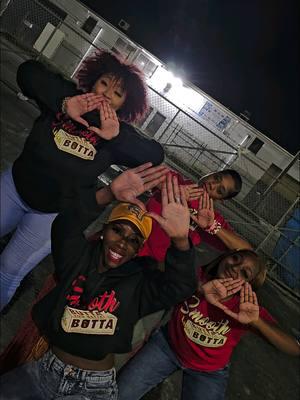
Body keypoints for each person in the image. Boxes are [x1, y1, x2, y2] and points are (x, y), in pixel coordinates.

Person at [0, 171, 197, 400]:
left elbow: (181, 286)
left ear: (138, 250)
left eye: (133, 240)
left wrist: (181, 240)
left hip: (91, 389)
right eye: (118, 230)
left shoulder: (140, 281)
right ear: (103, 230)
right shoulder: (78, 258)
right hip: (44, 370)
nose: (123, 243)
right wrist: (107, 193)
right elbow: (65, 225)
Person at [0, 49, 164, 310]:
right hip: (14, 188)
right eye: (104, 83)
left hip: (52, 214)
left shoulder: (117, 134)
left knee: (8, 269)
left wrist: (116, 135)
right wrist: (64, 103)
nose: (107, 94)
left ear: (124, 105)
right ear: (94, 81)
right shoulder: (66, 97)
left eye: (117, 94)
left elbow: (156, 154)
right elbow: (28, 71)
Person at [117, 249, 300, 400]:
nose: (235, 267)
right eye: (235, 258)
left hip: (208, 372)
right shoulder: (198, 277)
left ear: (248, 285)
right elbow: (160, 269)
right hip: (167, 346)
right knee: (120, 394)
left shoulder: (244, 308)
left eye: (245, 273)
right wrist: (196, 287)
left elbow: (293, 347)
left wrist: (257, 322)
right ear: (225, 257)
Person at [139, 169, 252, 263]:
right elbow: (143, 174)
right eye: (216, 178)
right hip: (130, 233)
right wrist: (172, 191)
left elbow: (247, 252)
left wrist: (212, 226)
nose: (212, 185)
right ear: (212, 173)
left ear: (221, 200)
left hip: (148, 261)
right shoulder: (177, 181)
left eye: (220, 190)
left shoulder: (211, 217)